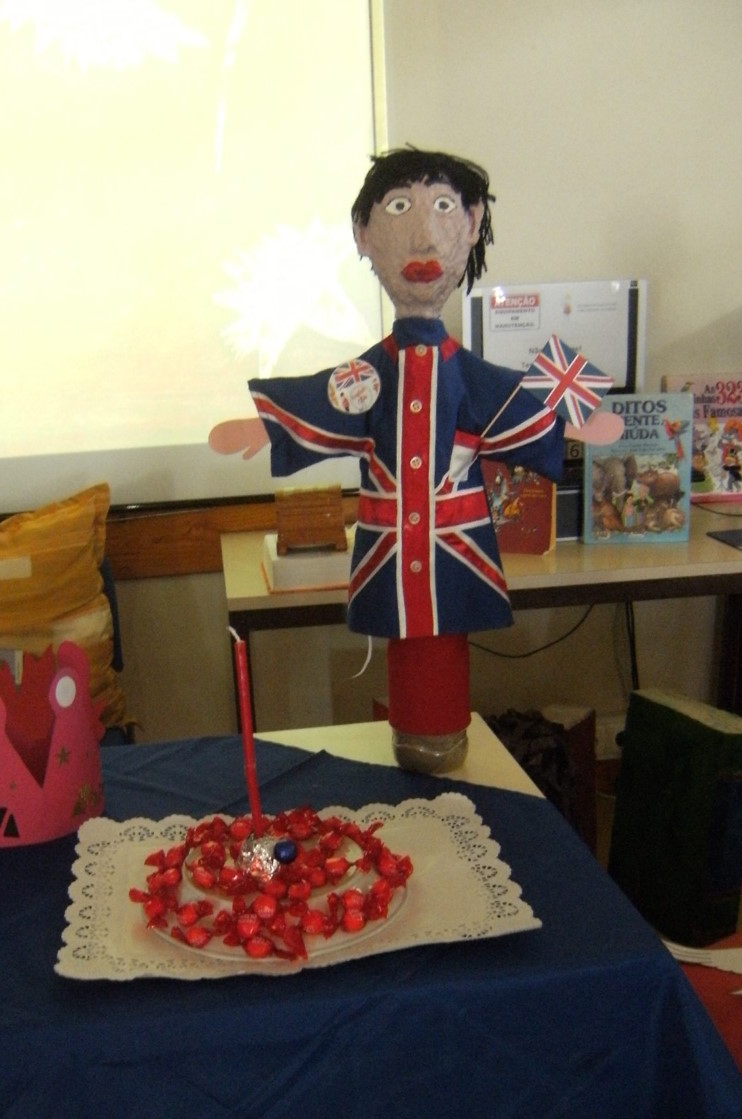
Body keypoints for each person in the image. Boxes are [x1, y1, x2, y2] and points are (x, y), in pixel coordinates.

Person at [210, 146, 618, 772]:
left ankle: (442, 743)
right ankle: (415, 744)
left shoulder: (466, 373)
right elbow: (331, 399)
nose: (424, 235)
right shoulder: (371, 374)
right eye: (400, 208)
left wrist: (570, 420)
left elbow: (504, 397)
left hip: (456, 546)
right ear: (364, 234)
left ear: (472, 223)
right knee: (406, 646)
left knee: (445, 648)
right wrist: (270, 423)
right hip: (392, 548)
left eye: (443, 208)